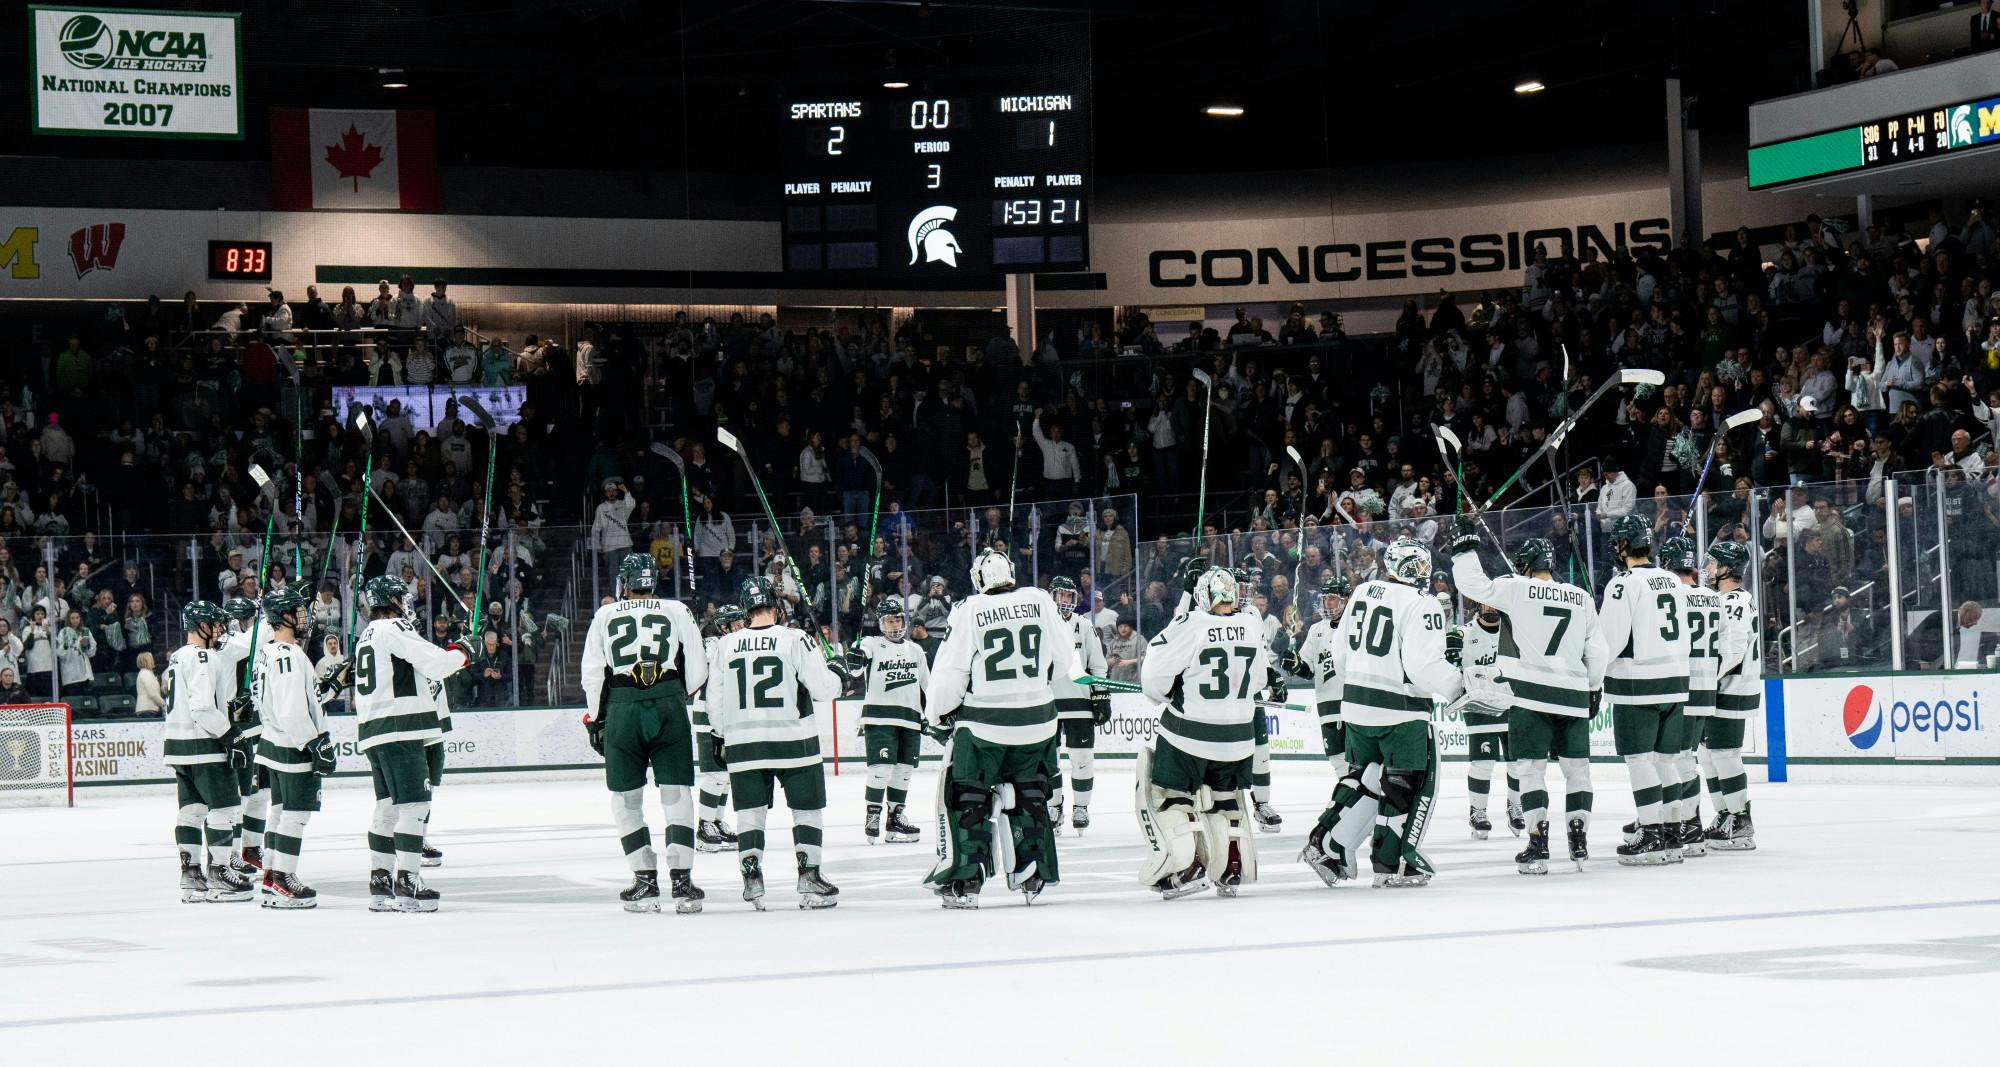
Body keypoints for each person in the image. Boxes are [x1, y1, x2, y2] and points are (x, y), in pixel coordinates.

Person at [1300, 538, 1462, 889]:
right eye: (1419, 566)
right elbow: (1423, 667)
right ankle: (1394, 862)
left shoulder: (1363, 591)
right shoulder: (1424, 603)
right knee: (1404, 784)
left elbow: (1340, 654)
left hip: (1356, 705)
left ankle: (1328, 841)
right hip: (1400, 711)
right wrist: (1458, 687)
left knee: (1365, 777)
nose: (1424, 572)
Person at [922, 548, 1077, 909]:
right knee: (1031, 793)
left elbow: (950, 673)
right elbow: (1064, 657)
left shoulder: (968, 609)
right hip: (1038, 722)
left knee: (968, 795)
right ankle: (1033, 868)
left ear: (979, 580)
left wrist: (936, 716)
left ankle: (967, 876)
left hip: (985, 725)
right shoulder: (1039, 599)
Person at [1451, 526, 1607, 874]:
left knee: (1531, 771)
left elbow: (1475, 586)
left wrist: (1465, 551)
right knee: (1578, 772)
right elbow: (1597, 650)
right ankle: (1579, 843)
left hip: (1531, 694)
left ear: (1524, 565)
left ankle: (1538, 844)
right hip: (1573, 694)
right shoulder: (1580, 596)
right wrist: (1594, 687)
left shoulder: (1517, 588)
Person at [579, 553, 708, 914]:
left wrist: (597, 718)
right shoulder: (676, 609)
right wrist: (676, 693)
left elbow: (592, 673)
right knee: (677, 792)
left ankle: (645, 882)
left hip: (622, 706)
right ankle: (682, 883)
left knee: (625, 798)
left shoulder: (605, 614)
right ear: (653, 582)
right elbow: (698, 668)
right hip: (668, 701)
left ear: (624, 583)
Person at [707, 577, 843, 910]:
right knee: (806, 810)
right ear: (776, 606)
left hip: (743, 743)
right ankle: (809, 878)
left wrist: (722, 736)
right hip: (793, 740)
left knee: (750, 815)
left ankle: (752, 879)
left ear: (745, 609)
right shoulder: (795, 638)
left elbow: (716, 700)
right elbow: (824, 689)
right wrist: (839, 671)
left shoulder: (726, 645)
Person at [1136, 567, 1270, 898]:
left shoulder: (1191, 625)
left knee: (1169, 795)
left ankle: (1187, 865)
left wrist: (1171, 692)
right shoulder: (1252, 624)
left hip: (1190, 734)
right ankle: (1230, 867)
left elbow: (1153, 677)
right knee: (1224, 799)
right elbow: (1261, 681)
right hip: (1239, 737)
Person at [353, 575, 471, 913]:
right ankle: (407, 881)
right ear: (389, 600)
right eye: (402, 597)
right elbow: (436, 663)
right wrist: (464, 651)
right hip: (401, 729)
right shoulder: (393, 629)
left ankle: (380, 880)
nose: (407, 604)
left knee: (387, 807)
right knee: (415, 807)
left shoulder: (367, 636)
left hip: (374, 731)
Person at [1597, 515, 1692, 866]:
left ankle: (1650, 834)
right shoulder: (1671, 579)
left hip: (1637, 684)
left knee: (1639, 761)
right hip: (1677, 680)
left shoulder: (1622, 583)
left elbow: (1611, 640)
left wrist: (1594, 671)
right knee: (1667, 761)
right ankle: (1672, 835)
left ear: (1624, 545)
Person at [163, 601, 254, 903]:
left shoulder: (177, 656)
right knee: (225, 809)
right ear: (201, 626)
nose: (219, 630)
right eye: (214, 624)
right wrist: (230, 734)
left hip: (178, 745)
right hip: (204, 745)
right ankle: (219, 874)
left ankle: (190, 878)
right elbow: (201, 706)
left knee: (191, 811)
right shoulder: (204, 656)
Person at [250, 589, 334, 908]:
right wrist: (314, 743)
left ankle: (272, 875)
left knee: (280, 812)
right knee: (295, 815)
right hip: (291, 745)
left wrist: (329, 688)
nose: (305, 616)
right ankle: (284, 878)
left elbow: (297, 697)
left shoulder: (271, 651)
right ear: (283, 617)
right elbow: (290, 709)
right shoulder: (287, 654)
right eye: (298, 611)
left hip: (275, 742)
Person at [847, 599, 928, 844]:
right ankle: (873, 815)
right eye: (889, 620)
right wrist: (855, 657)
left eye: (898, 619)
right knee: (881, 770)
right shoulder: (871, 644)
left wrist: (930, 715)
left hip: (910, 718)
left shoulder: (915, 650)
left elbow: (928, 686)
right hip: (879, 716)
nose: (895, 625)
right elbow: (854, 671)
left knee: (903, 772)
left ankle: (896, 819)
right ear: (881, 623)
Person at [1662, 536, 1723, 859]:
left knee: (1679, 759)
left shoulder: (1672, 597)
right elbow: (1726, 647)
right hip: (1706, 686)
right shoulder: (1713, 598)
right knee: (1688, 757)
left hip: (1681, 685)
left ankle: (1690, 825)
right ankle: (1685, 820)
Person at [1447, 600, 1523, 841]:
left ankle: (1515, 806)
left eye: (1494, 604)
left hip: (1511, 703)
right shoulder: (1463, 633)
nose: (1490, 608)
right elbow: (1450, 666)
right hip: (1480, 706)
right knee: (1483, 763)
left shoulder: (1514, 633)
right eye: (1485, 604)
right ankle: (1477, 811)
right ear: (1477, 606)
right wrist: (1449, 654)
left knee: (1517, 762)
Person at [1703, 539, 1760, 851]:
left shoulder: (1735, 601)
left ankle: (1740, 820)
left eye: (1714, 564)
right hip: (1721, 687)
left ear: (1728, 568)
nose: (1709, 569)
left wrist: (1707, 678)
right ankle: (1725, 813)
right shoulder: (1725, 599)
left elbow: (1734, 650)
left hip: (1731, 687)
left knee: (1724, 753)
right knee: (1708, 755)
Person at [1045, 576, 1108, 834]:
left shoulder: (1084, 626)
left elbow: (1098, 665)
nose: (1065, 600)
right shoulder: (1042, 627)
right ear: (1051, 596)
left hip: (1079, 702)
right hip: (1047, 704)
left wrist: (1101, 696)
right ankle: (1053, 805)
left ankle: (1081, 807)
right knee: (1048, 760)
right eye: (1060, 595)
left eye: (1069, 596)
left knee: (1082, 758)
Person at [218, 597, 269, 872]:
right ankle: (231, 852)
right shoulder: (230, 644)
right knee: (240, 795)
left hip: (257, 725)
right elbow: (258, 635)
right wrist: (269, 614)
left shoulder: (249, 644)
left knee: (260, 793)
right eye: (248, 619)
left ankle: (251, 848)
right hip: (236, 728)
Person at [691, 605, 744, 852]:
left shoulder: (733, 644)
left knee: (726, 777)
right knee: (715, 775)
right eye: (735, 625)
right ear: (723, 627)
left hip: (728, 716)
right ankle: (704, 826)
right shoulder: (710, 645)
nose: (741, 628)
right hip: (708, 717)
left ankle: (716, 820)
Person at [1287, 575, 1351, 773]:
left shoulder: (1357, 626)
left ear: (1346, 599)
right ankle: (1353, 796)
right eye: (1325, 598)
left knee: (1361, 757)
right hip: (1327, 703)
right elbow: (1308, 670)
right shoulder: (1316, 630)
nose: (1327, 602)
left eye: (1332, 597)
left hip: (1353, 701)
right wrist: (1295, 665)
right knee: (1337, 759)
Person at [134, 650, 165, 714]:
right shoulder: (146, 673)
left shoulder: (147, 673)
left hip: (149, 709)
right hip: (147, 709)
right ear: (147, 661)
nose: (153, 661)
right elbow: (153, 693)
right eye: (151, 659)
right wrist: (164, 703)